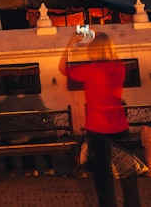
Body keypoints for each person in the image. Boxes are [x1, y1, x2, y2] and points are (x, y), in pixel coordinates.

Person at [60, 31, 140, 207]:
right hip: (120, 125)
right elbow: (114, 58)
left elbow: (63, 68)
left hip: (98, 128)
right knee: (127, 172)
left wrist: (70, 44)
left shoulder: (90, 70)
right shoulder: (119, 67)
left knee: (103, 176)